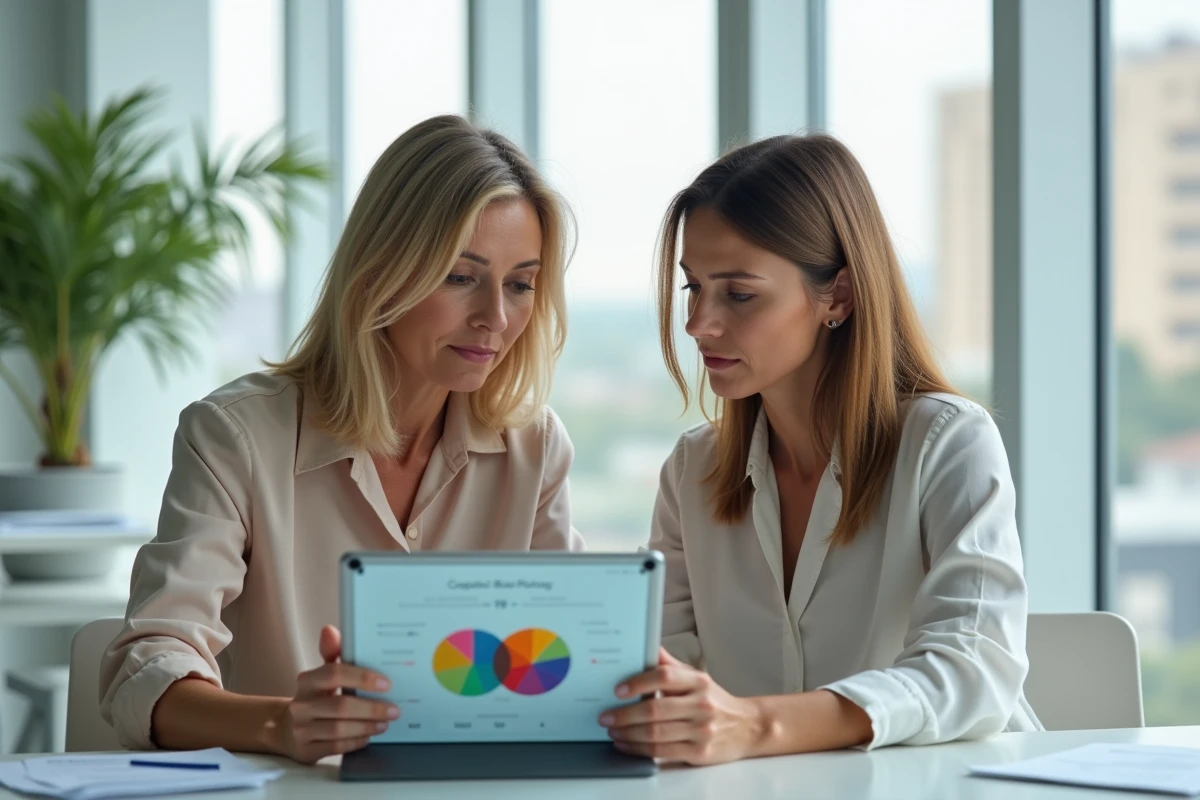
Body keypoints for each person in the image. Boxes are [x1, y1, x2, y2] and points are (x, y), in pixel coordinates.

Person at [100, 115, 583, 762]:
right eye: (460, 276)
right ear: (383, 270)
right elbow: (146, 668)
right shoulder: (236, 437)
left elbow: (576, 657)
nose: (496, 317)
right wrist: (282, 726)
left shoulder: (535, 448)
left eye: (521, 285)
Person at [600, 134, 1042, 765]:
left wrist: (757, 725)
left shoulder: (947, 443)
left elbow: (973, 669)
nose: (699, 323)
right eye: (692, 288)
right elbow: (664, 668)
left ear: (837, 295)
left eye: (740, 293)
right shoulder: (692, 470)